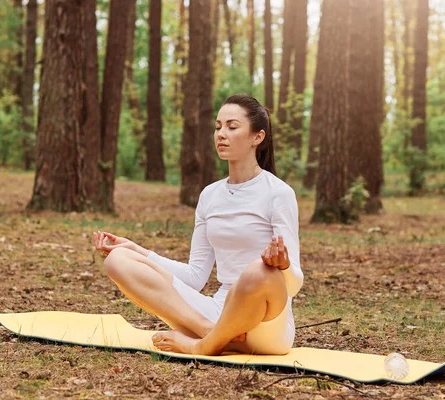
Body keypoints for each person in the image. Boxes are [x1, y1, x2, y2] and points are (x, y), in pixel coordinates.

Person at [93, 94, 303, 356]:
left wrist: (282, 266)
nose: (221, 134)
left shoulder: (278, 193)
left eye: (232, 126)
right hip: (217, 316)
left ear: (256, 137)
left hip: (267, 328)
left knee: (258, 272)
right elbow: (195, 277)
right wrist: (137, 250)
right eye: (218, 127)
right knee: (118, 260)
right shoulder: (210, 195)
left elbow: (293, 285)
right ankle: (209, 333)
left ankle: (202, 346)